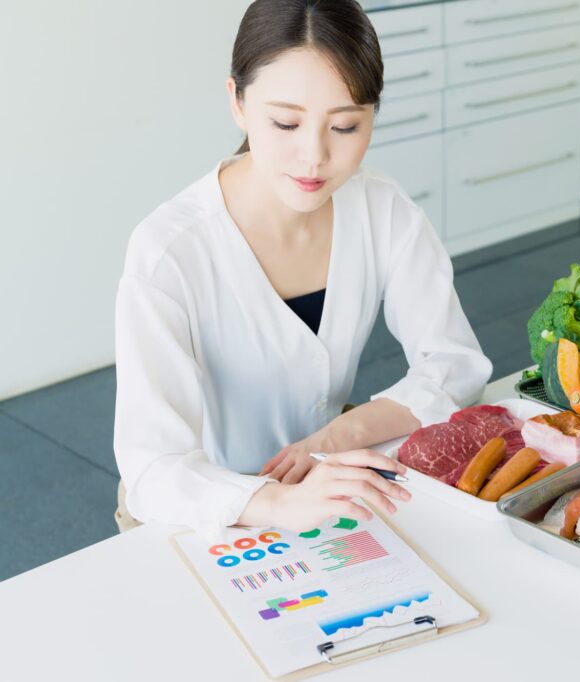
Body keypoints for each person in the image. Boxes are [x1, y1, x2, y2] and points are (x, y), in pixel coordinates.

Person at [112, 0, 492, 539]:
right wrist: (275, 503)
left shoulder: (382, 208)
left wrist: (341, 434)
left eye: (344, 126)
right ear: (237, 103)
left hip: (328, 481)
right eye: (285, 122)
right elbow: (152, 469)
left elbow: (456, 365)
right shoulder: (170, 251)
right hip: (201, 508)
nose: (313, 156)